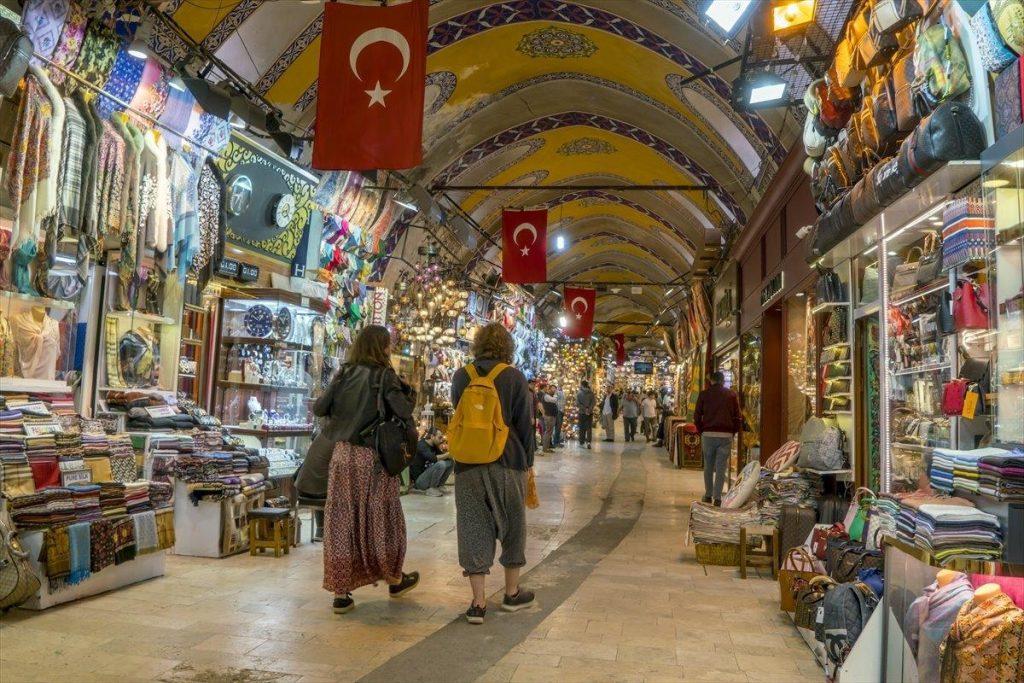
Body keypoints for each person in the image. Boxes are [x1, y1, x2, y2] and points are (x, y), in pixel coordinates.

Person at [299, 325, 420, 614]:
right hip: (373, 459)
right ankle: (394, 577)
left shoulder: (343, 373)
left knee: (342, 519)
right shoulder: (384, 376)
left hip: (342, 456)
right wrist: (409, 389)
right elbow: (403, 411)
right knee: (382, 518)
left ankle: (342, 593)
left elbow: (319, 408)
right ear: (381, 347)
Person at [451, 323, 536, 625]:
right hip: (506, 460)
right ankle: (511, 593)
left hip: (468, 464)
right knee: (513, 525)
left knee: (473, 525)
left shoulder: (462, 376)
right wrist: (528, 460)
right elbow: (525, 423)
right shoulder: (513, 377)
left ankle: (477, 603)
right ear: (508, 347)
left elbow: (458, 415)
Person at [694, 371, 742, 506]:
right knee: (721, 467)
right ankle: (718, 498)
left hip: (708, 434)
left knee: (708, 467)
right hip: (725, 436)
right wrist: (732, 432)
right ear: (723, 381)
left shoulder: (704, 394)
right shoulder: (731, 395)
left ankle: (708, 495)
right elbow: (738, 417)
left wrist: (701, 430)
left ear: (711, 380)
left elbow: (697, 416)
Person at [411, 428, 453, 496]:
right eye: (439, 437)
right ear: (432, 437)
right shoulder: (421, 445)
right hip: (420, 481)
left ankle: (440, 486)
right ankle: (432, 489)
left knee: (451, 462)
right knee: (441, 464)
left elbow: (443, 457)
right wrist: (448, 454)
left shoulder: (434, 446)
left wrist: (451, 455)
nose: (441, 440)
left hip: (428, 476)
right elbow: (433, 458)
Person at [576, 380, 596, 449]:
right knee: (589, 428)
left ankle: (581, 442)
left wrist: (584, 409)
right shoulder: (591, 393)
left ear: (582, 385)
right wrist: (589, 409)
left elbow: (577, 403)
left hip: (581, 413)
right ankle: (588, 442)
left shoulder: (579, 393)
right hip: (589, 413)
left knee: (582, 427)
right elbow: (594, 402)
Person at [540, 384, 558, 453]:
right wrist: (556, 394)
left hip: (551, 416)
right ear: (549, 389)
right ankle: (545, 448)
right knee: (548, 432)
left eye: (555, 389)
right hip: (549, 416)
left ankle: (546, 448)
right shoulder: (546, 396)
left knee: (549, 432)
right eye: (553, 389)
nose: (554, 390)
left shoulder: (549, 395)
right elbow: (554, 400)